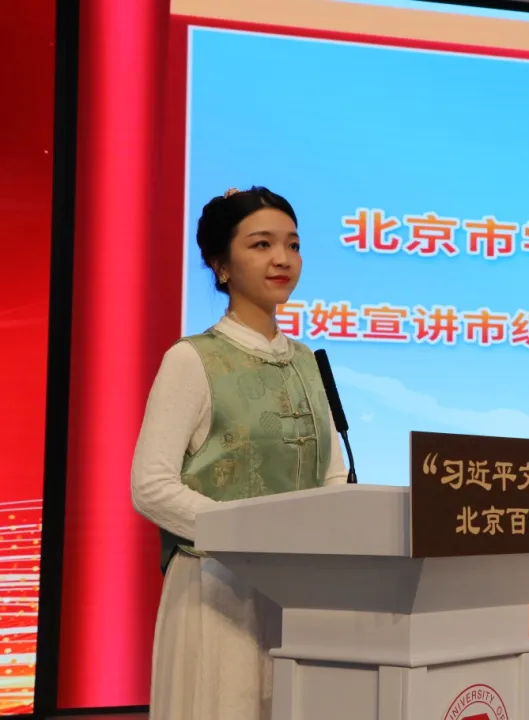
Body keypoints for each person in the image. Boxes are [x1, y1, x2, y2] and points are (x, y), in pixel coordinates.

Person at [130, 186, 348, 720]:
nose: (282, 259)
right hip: (218, 591)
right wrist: (250, 536)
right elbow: (151, 486)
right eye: (261, 244)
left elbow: (333, 478)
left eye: (293, 245)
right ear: (221, 265)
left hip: (299, 593)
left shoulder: (308, 362)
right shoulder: (192, 359)